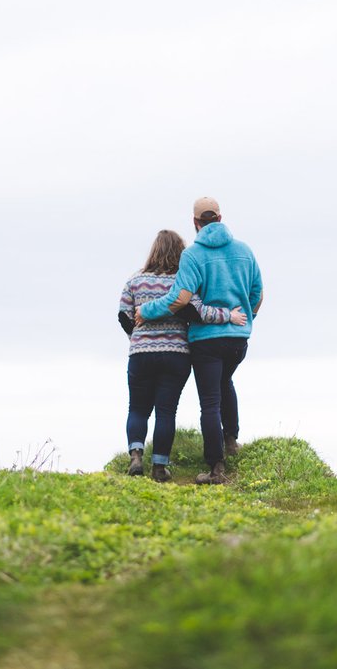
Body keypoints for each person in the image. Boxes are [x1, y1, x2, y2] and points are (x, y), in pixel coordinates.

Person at [135, 197, 262, 484]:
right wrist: (245, 317)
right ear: (220, 217)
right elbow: (258, 294)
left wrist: (147, 310)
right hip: (238, 339)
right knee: (225, 381)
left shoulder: (193, 255)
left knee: (210, 402)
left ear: (195, 223)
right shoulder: (244, 251)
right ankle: (231, 439)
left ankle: (216, 467)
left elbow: (179, 298)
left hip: (206, 340)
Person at [118, 230, 247, 482]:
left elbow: (124, 314)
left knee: (138, 408)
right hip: (176, 354)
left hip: (141, 353)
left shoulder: (134, 281)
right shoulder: (183, 281)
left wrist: (137, 338)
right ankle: (159, 466)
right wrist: (228, 316)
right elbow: (201, 312)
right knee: (166, 411)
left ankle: (136, 455)